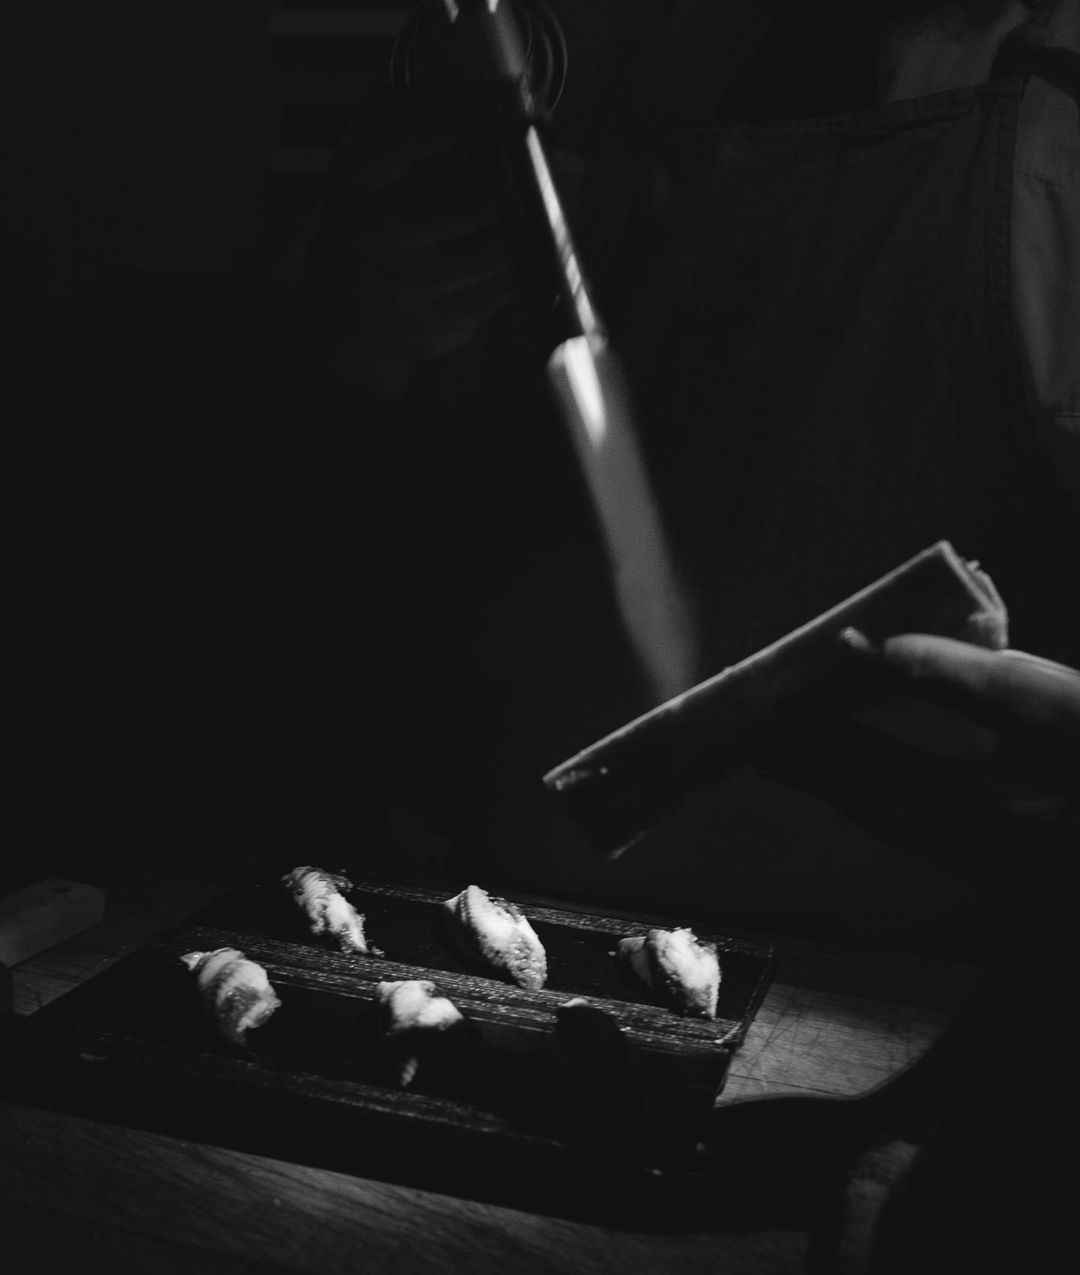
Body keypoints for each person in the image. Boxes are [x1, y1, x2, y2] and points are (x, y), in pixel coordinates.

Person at [279, 2, 1080, 1264]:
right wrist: (340, 358)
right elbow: (337, 584)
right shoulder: (555, 64)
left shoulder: (1042, 127)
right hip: (461, 965)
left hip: (898, 1036)